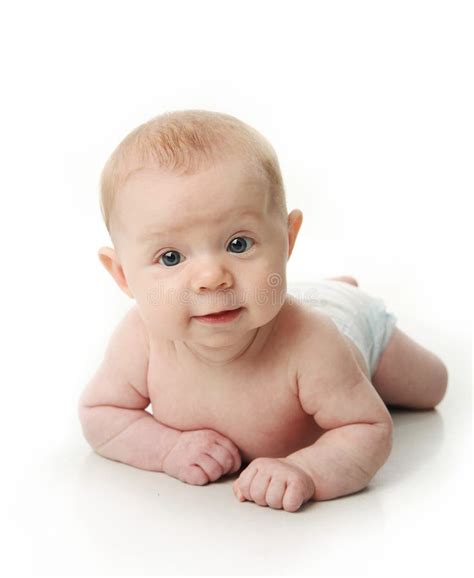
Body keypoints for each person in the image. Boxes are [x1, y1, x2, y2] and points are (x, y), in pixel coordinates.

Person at [78, 110, 448, 512]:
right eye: (170, 257)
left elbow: (368, 427)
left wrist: (307, 469)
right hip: (270, 296)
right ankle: (322, 285)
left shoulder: (312, 344)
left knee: (432, 387)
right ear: (123, 275)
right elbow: (102, 414)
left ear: (287, 240)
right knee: (273, 293)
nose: (211, 278)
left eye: (238, 244)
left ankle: (336, 291)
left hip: (351, 321)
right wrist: (168, 448)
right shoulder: (142, 339)